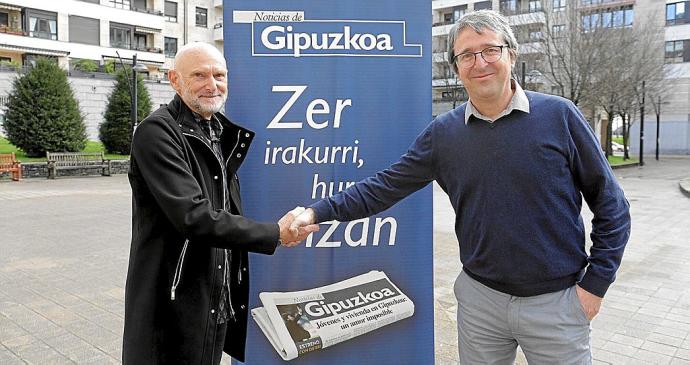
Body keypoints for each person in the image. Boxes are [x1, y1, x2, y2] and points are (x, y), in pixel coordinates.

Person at [290, 10, 630, 364]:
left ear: (511, 55)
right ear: (456, 67)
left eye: (490, 50)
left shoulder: (559, 116)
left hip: (557, 303)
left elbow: (612, 205)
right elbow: (383, 187)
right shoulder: (444, 133)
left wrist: (595, 285)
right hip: (480, 302)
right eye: (466, 55)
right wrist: (316, 211)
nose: (479, 62)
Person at [122, 42, 317, 364]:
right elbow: (193, 216)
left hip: (215, 295)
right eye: (199, 75)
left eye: (219, 75)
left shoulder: (219, 131)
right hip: (174, 296)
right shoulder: (156, 132)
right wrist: (274, 233)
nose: (211, 85)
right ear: (174, 80)